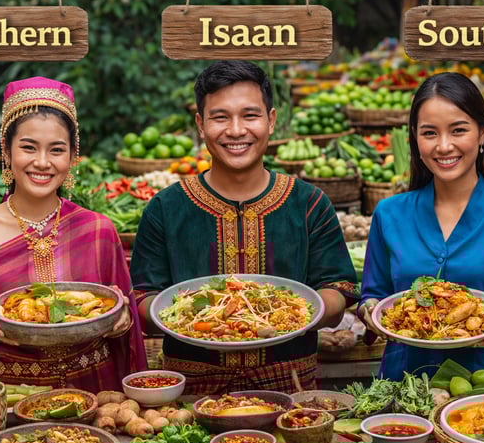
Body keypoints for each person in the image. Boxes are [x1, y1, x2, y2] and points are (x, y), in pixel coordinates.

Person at [129, 60, 358, 395]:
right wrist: (188, 316)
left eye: (250, 115)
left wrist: (295, 312)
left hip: (291, 390)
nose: (236, 130)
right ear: (201, 125)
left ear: (271, 121)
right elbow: (142, 297)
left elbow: (339, 289)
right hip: (192, 393)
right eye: (220, 117)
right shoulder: (166, 208)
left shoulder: (309, 203)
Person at [0, 76, 147, 392]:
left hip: (97, 394)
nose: (42, 162)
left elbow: (123, 322)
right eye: (28, 147)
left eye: (56, 150)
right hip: (13, 396)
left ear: (72, 157)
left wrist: (121, 322)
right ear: (7, 151)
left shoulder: (98, 229)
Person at [358, 72, 484, 381]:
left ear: (483, 132)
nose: (444, 146)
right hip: (403, 384)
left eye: (458, 130)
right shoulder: (389, 213)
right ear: (414, 137)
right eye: (429, 133)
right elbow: (374, 295)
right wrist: (369, 309)